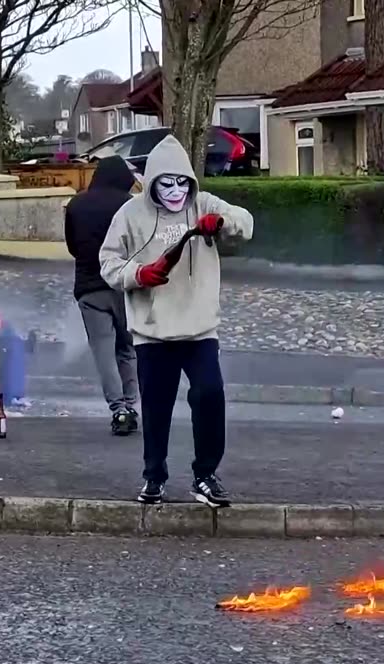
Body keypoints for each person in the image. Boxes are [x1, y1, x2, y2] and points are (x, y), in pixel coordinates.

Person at [99, 135, 253, 508]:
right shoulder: (130, 214)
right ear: (152, 182)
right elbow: (108, 262)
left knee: (209, 395)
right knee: (156, 406)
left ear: (190, 181)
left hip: (200, 328)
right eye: (165, 183)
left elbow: (245, 223)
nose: (174, 191)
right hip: (152, 332)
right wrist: (138, 274)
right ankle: (154, 476)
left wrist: (223, 222)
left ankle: (205, 475)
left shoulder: (203, 203)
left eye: (181, 182)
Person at [67, 156, 140, 436]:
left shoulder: (77, 204)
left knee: (103, 352)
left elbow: (73, 246)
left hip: (90, 289)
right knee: (127, 348)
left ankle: (118, 409)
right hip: (125, 286)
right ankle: (132, 404)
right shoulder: (131, 205)